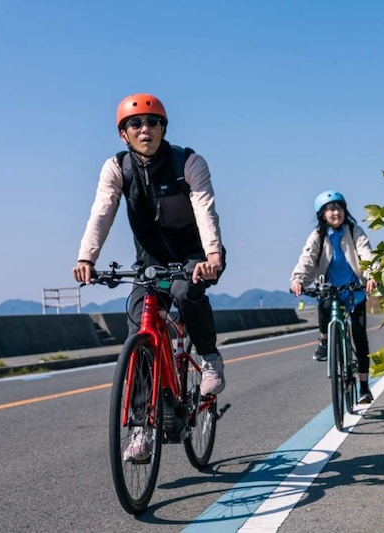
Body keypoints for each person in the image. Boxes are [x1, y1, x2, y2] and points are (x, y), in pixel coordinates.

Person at [72, 94, 227, 459]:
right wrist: (86, 257)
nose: (146, 129)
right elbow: (102, 212)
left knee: (188, 294)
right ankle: (141, 428)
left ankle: (209, 357)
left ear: (163, 128)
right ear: (124, 134)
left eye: (153, 122)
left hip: (194, 257)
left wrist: (212, 255)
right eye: (136, 124)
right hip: (150, 263)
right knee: (139, 334)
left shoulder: (187, 162)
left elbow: (205, 208)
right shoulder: (116, 168)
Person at [290, 190, 378, 403]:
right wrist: (298, 279)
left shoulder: (354, 230)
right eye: (330, 209)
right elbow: (307, 257)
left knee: (359, 336)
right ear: (322, 214)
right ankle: (324, 340)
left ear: (344, 210)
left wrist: (372, 275)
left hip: (354, 290)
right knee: (324, 304)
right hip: (330, 289)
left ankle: (364, 387)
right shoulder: (318, 235)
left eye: (338, 208)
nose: (335, 212)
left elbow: (366, 253)